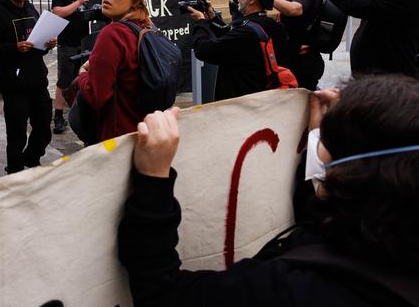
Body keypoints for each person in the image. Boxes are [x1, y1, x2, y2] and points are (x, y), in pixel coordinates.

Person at [119, 74, 419, 306]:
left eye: (325, 149)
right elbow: (318, 219)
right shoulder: (391, 232)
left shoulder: (292, 291)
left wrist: (154, 178)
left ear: (351, 175)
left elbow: (163, 295)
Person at [0, 0, 57, 174]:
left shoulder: (30, 8)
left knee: (43, 132)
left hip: (38, 81)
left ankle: (31, 160)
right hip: (14, 87)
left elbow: (37, 46)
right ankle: (14, 172)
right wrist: (14, 48)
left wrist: (47, 45)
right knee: (16, 136)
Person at [75, 0, 151, 143]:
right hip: (143, 133)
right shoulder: (148, 28)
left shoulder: (113, 34)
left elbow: (96, 96)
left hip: (116, 140)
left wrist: (83, 74)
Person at [189, 0, 287, 101]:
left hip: (240, 108)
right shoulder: (275, 27)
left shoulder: (245, 33)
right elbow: (230, 38)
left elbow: (204, 50)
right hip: (263, 100)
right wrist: (213, 17)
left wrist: (200, 22)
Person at [50, 0, 95, 134]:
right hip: (67, 42)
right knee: (64, 80)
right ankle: (58, 117)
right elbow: (57, 12)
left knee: (83, 78)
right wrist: (78, 3)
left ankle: (81, 112)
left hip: (86, 42)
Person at [274, 0, 324, 90]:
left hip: (302, 62)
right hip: (301, 58)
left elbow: (295, 10)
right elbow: (291, 16)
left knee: (301, 100)